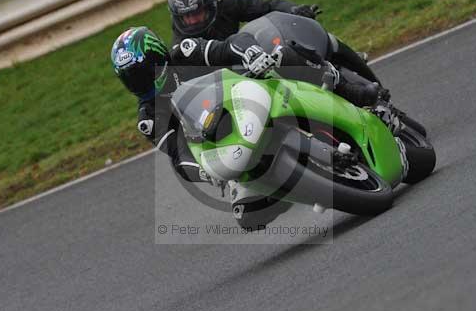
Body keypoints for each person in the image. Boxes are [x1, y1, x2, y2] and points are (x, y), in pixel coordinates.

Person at [111, 26, 385, 223]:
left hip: (251, 94)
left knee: (282, 56)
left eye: (144, 73)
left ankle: (351, 91)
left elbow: (227, 45)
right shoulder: (149, 117)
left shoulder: (185, 53)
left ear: (158, 57)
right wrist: (206, 172)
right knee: (248, 216)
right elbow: (179, 155)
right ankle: (307, 185)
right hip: (230, 141)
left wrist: (249, 52)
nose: (142, 83)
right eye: (132, 80)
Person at [167, 0, 380, 84]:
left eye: (197, 13)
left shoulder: (227, 3)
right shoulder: (179, 45)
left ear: (211, 4)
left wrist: (294, 10)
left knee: (309, 45)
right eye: (187, 17)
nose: (193, 20)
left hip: (257, 55)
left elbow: (268, 5)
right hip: (232, 81)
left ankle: (355, 70)